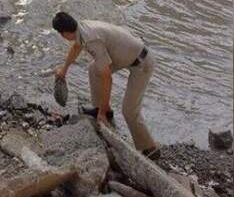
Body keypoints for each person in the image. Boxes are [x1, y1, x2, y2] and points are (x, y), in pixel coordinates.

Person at [52, 11, 160, 158]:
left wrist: (102, 111)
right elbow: (76, 47)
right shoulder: (81, 28)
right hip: (126, 56)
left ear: (64, 33)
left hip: (142, 64)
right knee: (93, 69)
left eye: (60, 34)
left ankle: (150, 148)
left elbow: (107, 77)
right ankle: (103, 111)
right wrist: (64, 69)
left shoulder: (91, 40)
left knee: (129, 110)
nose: (61, 37)